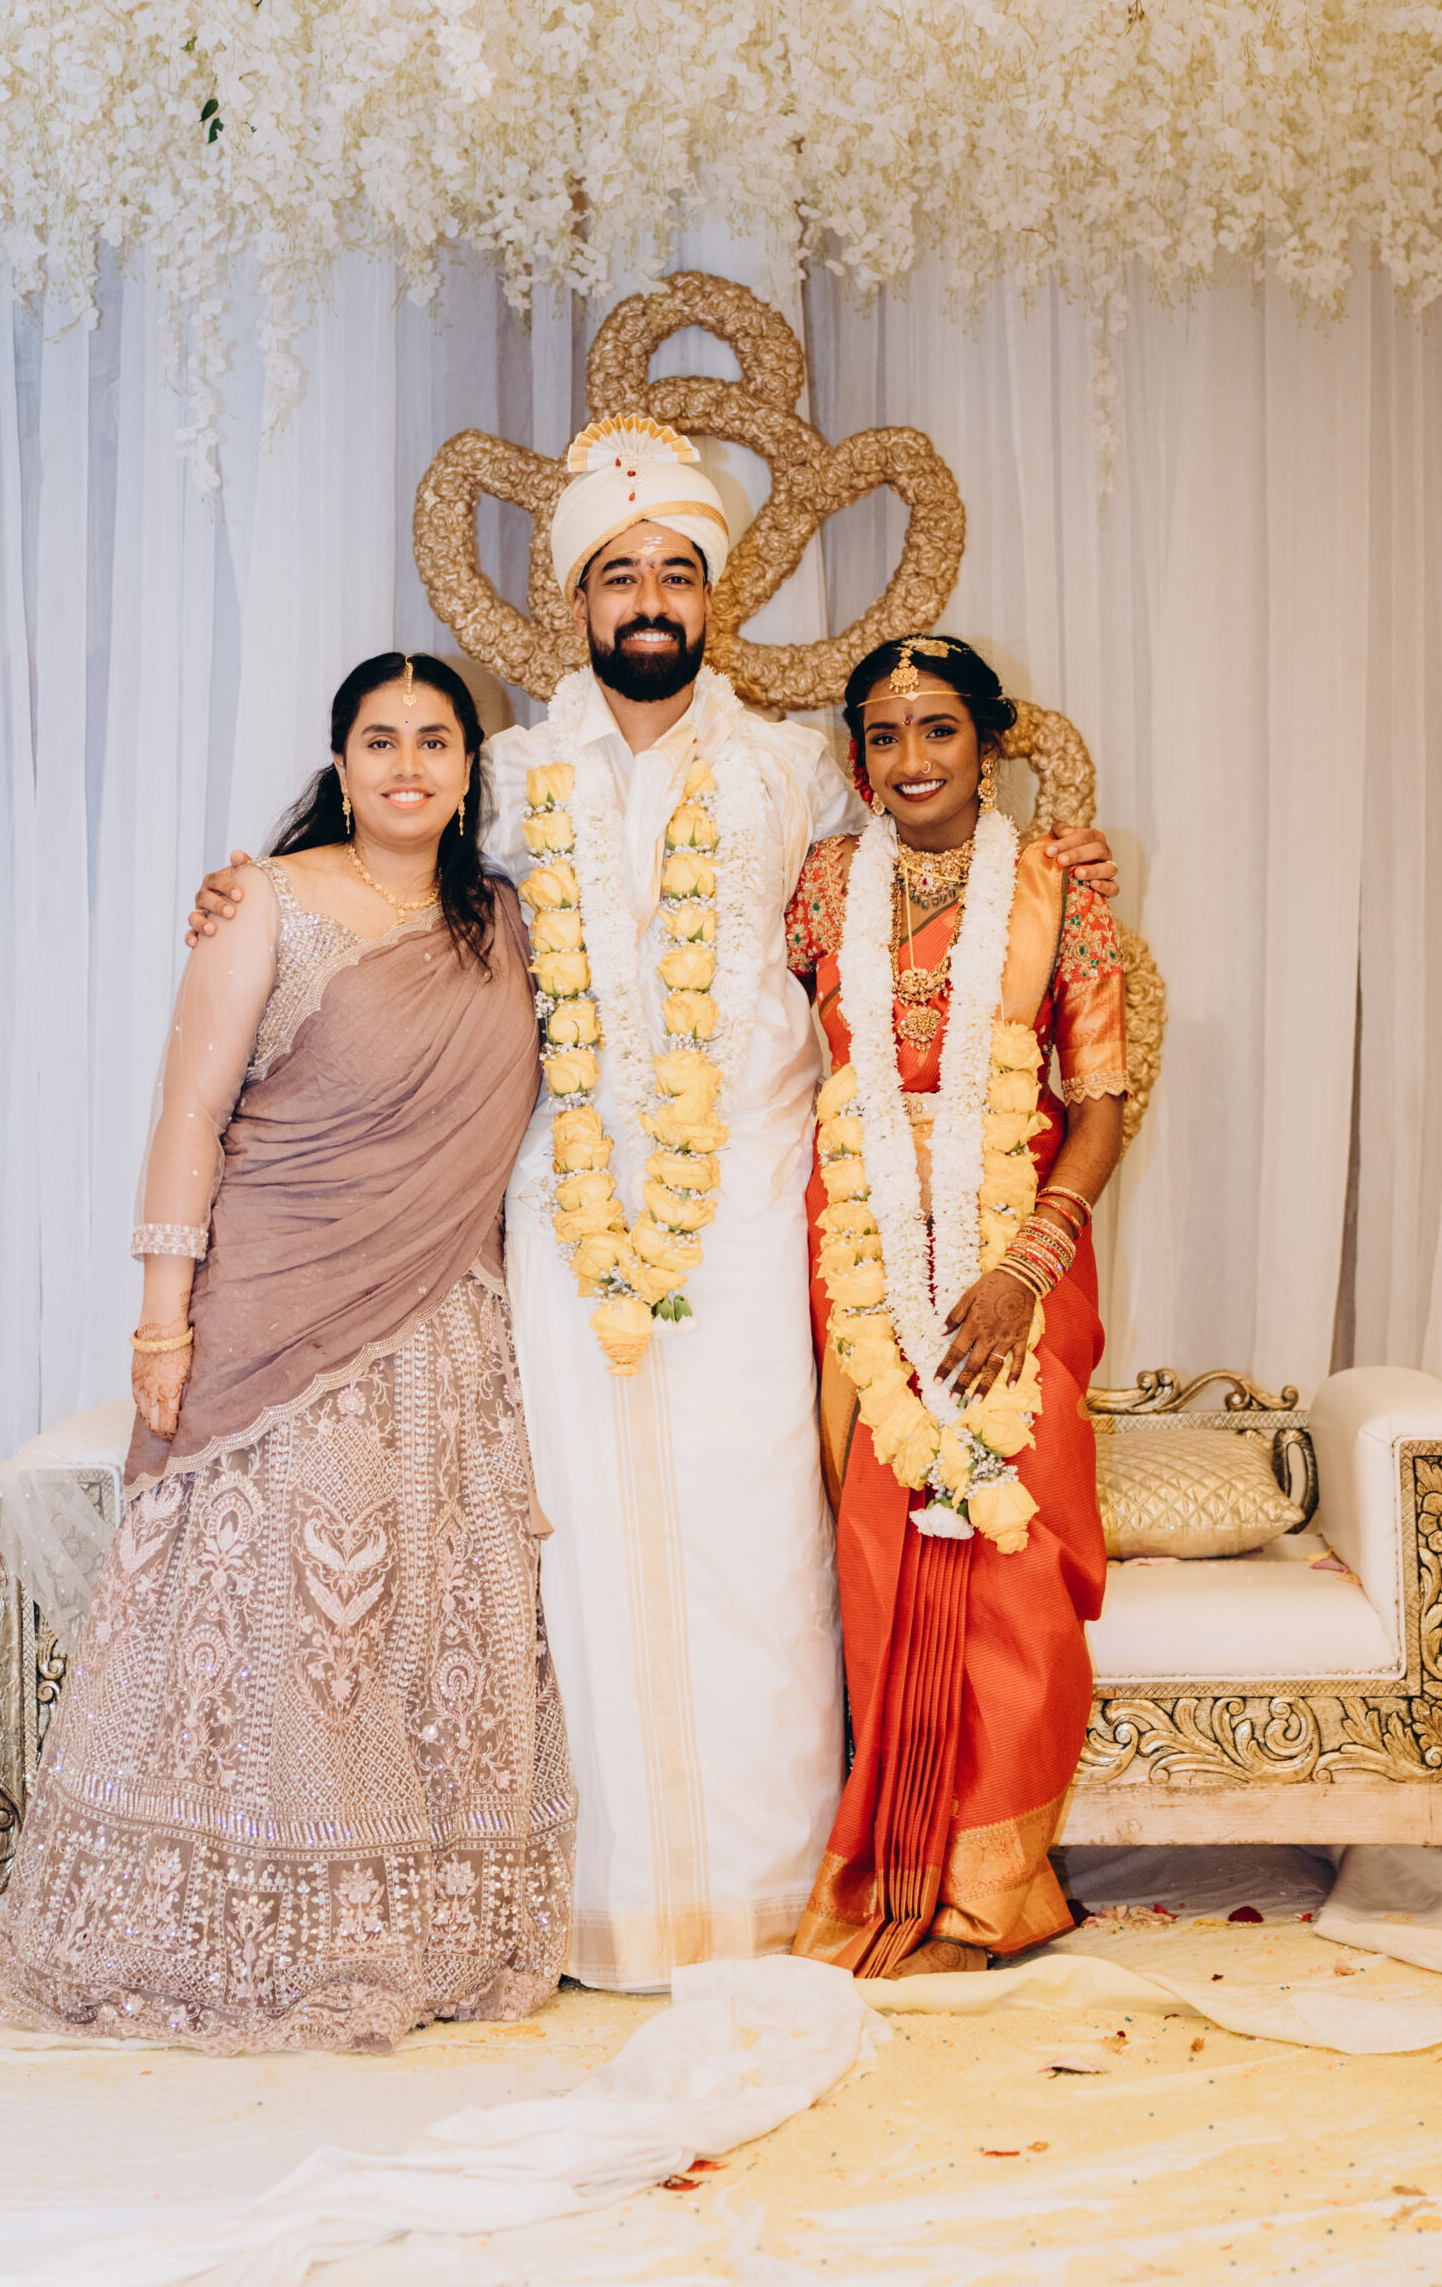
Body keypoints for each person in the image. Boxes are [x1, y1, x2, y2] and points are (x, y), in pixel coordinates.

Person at [188, 432, 1115, 1993]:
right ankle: (601, 1908)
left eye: (677, 572)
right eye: (619, 574)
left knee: (755, 1543)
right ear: (577, 600)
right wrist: (256, 892)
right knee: (582, 1551)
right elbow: (391, 873)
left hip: (746, 1201)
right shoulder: (509, 775)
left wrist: (1058, 865)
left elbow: (926, 875)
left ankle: (762, 1900)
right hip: (561, 1205)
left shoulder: (793, 769)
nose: (649, 599)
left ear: (710, 597)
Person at [0, 652, 575, 2052]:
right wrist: (162, 1316)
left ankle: (412, 1928)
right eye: (381, 740)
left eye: (435, 741)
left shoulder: (507, 918)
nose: (409, 766)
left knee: (420, 1617)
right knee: (280, 1622)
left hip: (446, 1315)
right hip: (272, 1299)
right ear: (341, 760)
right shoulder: (265, 897)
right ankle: (229, 1927)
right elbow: (190, 1115)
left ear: (469, 770)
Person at [784, 633, 1126, 1978]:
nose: (911, 758)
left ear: (988, 746)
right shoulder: (822, 885)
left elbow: (1100, 1102)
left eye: (938, 729)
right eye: (885, 734)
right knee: (882, 1553)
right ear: (856, 756)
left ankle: (992, 1894)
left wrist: (1024, 1269)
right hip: (859, 1242)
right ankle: (897, 1877)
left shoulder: (1058, 884)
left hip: (1016, 1254)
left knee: (1015, 1555)